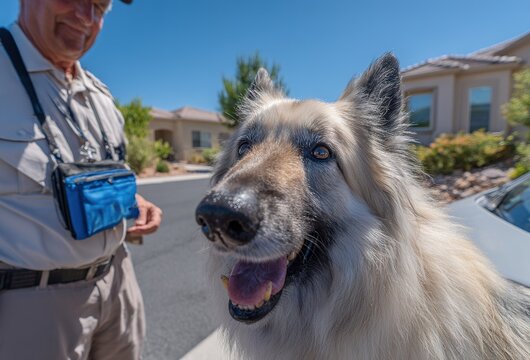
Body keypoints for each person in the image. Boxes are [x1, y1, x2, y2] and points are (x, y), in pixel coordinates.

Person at [0, 0, 162, 359]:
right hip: (33, 307)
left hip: (118, 283)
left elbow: (99, 175)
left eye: (99, 6)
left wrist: (134, 205)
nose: (85, 17)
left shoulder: (101, 97)